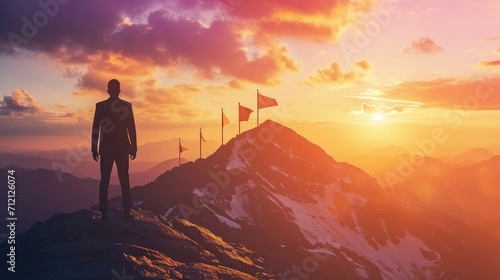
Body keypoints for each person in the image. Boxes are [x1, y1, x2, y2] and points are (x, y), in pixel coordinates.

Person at [91, 79, 137, 221]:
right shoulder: (127, 106)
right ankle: (127, 212)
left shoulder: (100, 106)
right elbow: (131, 128)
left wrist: (94, 148)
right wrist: (133, 147)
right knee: (125, 180)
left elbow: (96, 128)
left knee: (104, 180)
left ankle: (104, 213)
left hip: (106, 149)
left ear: (108, 90)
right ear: (119, 90)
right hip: (123, 148)